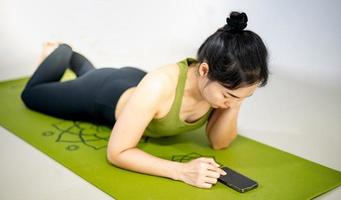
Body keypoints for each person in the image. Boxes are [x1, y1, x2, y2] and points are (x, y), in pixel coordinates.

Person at [21, 11, 269, 189]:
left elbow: (219, 143)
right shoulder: (160, 85)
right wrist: (181, 171)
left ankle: (79, 62)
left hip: (134, 84)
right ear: (204, 71)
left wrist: (236, 99)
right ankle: (62, 51)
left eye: (243, 97)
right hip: (102, 94)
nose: (231, 103)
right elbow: (117, 152)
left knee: (93, 74)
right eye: (228, 95)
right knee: (32, 95)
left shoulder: (220, 88)